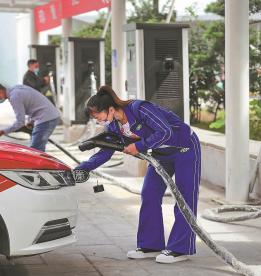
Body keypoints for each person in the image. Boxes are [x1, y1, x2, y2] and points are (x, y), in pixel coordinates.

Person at [75, 86, 201, 264]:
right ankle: (151, 245)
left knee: (185, 198)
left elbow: (165, 132)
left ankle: (180, 249)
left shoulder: (140, 109)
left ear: (110, 109)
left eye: (98, 116)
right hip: (160, 154)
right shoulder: (114, 126)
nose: (98, 120)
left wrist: (138, 146)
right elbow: (105, 151)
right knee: (149, 194)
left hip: (185, 148)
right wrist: (83, 168)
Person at [0, 80, 60, 152]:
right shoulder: (16, 88)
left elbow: (20, 122)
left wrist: (2, 132)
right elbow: (33, 104)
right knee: (37, 149)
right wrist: (31, 121)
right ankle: (42, 166)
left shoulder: (15, 97)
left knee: (36, 151)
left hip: (46, 118)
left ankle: (43, 166)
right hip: (48, 116)